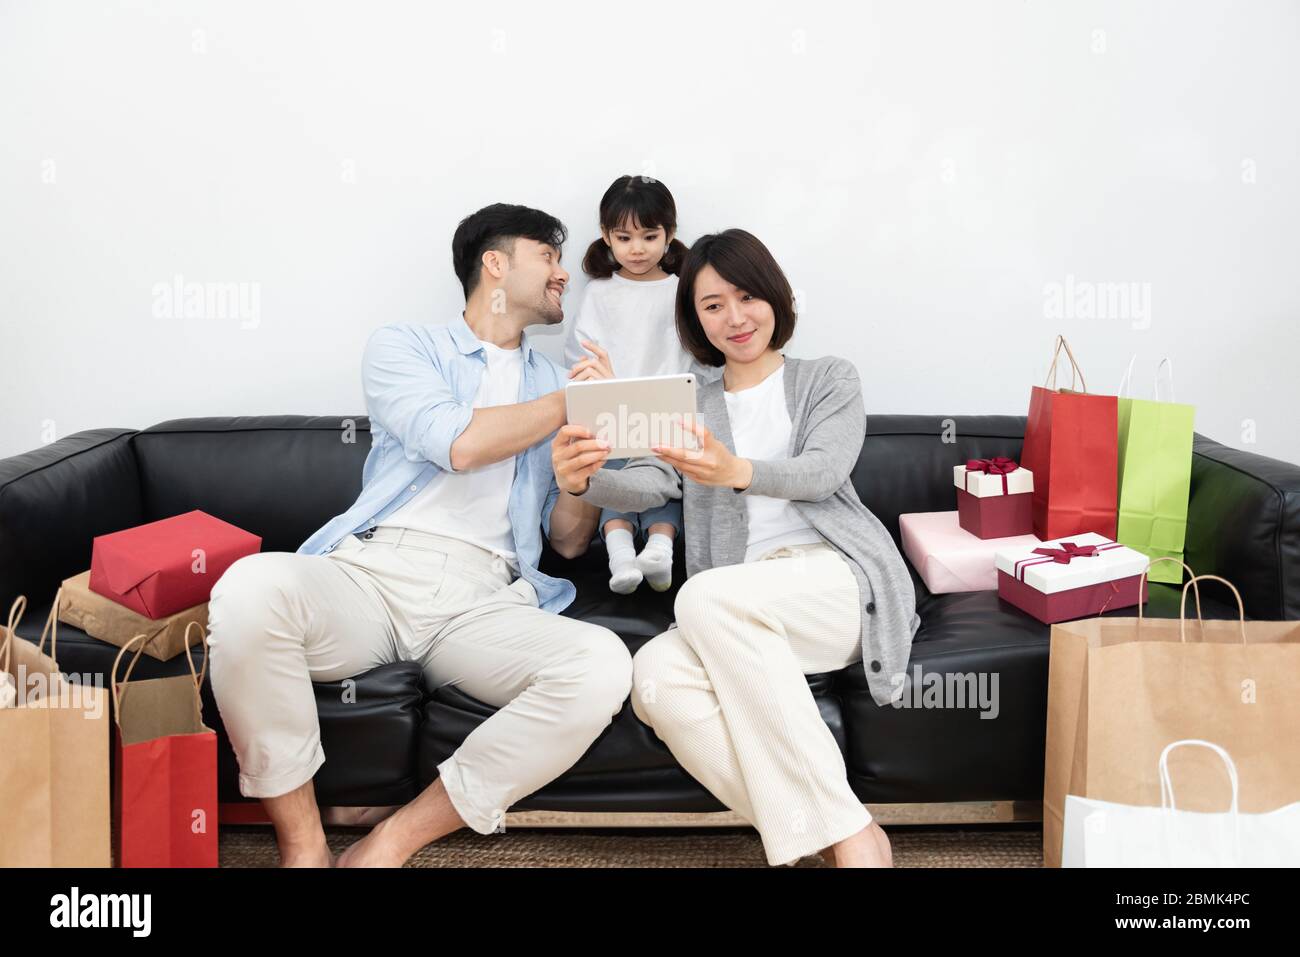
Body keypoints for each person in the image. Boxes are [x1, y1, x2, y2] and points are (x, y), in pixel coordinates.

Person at [207, 203, 625, 867]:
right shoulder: (405, 347)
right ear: (495, 263)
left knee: (602, 664)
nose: (563, 274)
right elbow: (457, 445)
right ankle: (304, 844)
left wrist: (577, 485)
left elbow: (569, 543)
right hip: (373, 576)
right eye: (548, 255)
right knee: (249, 589)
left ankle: (393, 839)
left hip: (487, 597)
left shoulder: (555, 381)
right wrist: (575, 404)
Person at [551, 228, 921, 867]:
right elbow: (654, 481)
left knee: (704, 596)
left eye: (746, 296)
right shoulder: (691, 396)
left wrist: (734, 470)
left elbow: (823, 471)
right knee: (657, 678)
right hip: (735, 606)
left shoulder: (827, 378)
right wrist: (586, 480)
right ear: (694, 320)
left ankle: (852, 844)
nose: (734, 318)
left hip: (830, 585)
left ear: (775, 297)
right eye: (712, 305)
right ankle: (844, 834)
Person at [564, 175, 697, 594]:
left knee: (668, 480)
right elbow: (581, 354)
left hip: (668, 413)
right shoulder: (599, 293)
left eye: (649, 236)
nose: (636, 249)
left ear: (669, 235)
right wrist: (604, 384)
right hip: (612, 410)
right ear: (606, 236)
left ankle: (660, 550)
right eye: (623, 237)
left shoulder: (683, 292)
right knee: (612, 479)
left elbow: (697, 354)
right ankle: (621, 556)